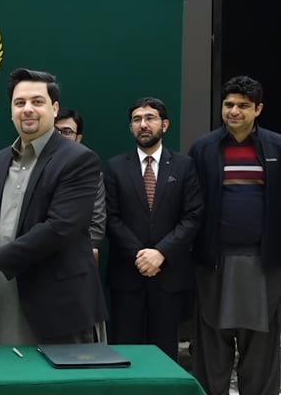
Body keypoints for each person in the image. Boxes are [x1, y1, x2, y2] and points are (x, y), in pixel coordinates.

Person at [0, 68, 107, 344]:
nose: (28, 109)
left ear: (54, 107)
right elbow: (2, 219)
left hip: (58, 307)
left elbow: (59, 228)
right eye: (19, 103)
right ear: (11, 110)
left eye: (37, 101)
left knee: (59, 387)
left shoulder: (79, 159)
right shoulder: (1, 159)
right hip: (2, 300)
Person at [188, 75, 281, 395]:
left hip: (264, 262)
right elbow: (192, 205)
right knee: (212, 345)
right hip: (214, 261)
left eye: (243, 106)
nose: (234, 111)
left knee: (261, 346)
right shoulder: (203, 148)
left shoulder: (276, 146)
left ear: (259, 109)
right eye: (229, 105)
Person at [104, 97, 203, 361]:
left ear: (165, 125)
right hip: (127, 275)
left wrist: (160, 253)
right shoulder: (115, 167)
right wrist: (141, 255)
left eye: (150, 118)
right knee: (125, 354)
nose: (143, 125)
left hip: (169, 275)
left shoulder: (184, 165)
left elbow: (192, 217)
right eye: (137, 120)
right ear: (131, 127)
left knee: (165, 354)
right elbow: (111, 218)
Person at [55, 107, 108, 343]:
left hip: (75, 266)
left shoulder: (89, 169)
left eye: (67, 131)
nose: (60, 135)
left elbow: (96, 224)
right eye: (56, 130)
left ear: (78, 138)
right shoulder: (34, 166)